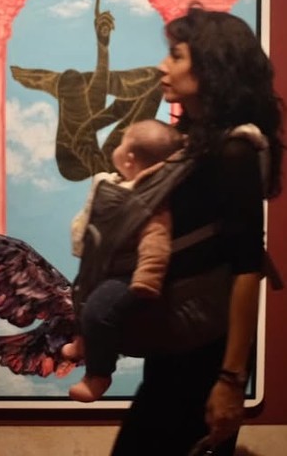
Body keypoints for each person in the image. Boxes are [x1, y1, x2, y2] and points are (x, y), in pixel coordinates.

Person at [109, 6, 286, 456]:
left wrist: (230, 380)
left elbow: (247, 267)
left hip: (206, 348)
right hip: (179, 336)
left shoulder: (234, 151)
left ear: (211, 67)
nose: (161, 66)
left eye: (176, 56)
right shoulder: (198, 144)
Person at [63, 118, 184, 402]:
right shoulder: (115, 185)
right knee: (79, 295)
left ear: (129, 158)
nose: (114, 149)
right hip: (102, 265)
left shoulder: (151, 201)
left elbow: (156, 243)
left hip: (128, 274)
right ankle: (82, 342)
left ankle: (98, 375)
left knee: (98, 311)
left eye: (119, 143)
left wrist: (147, 279)